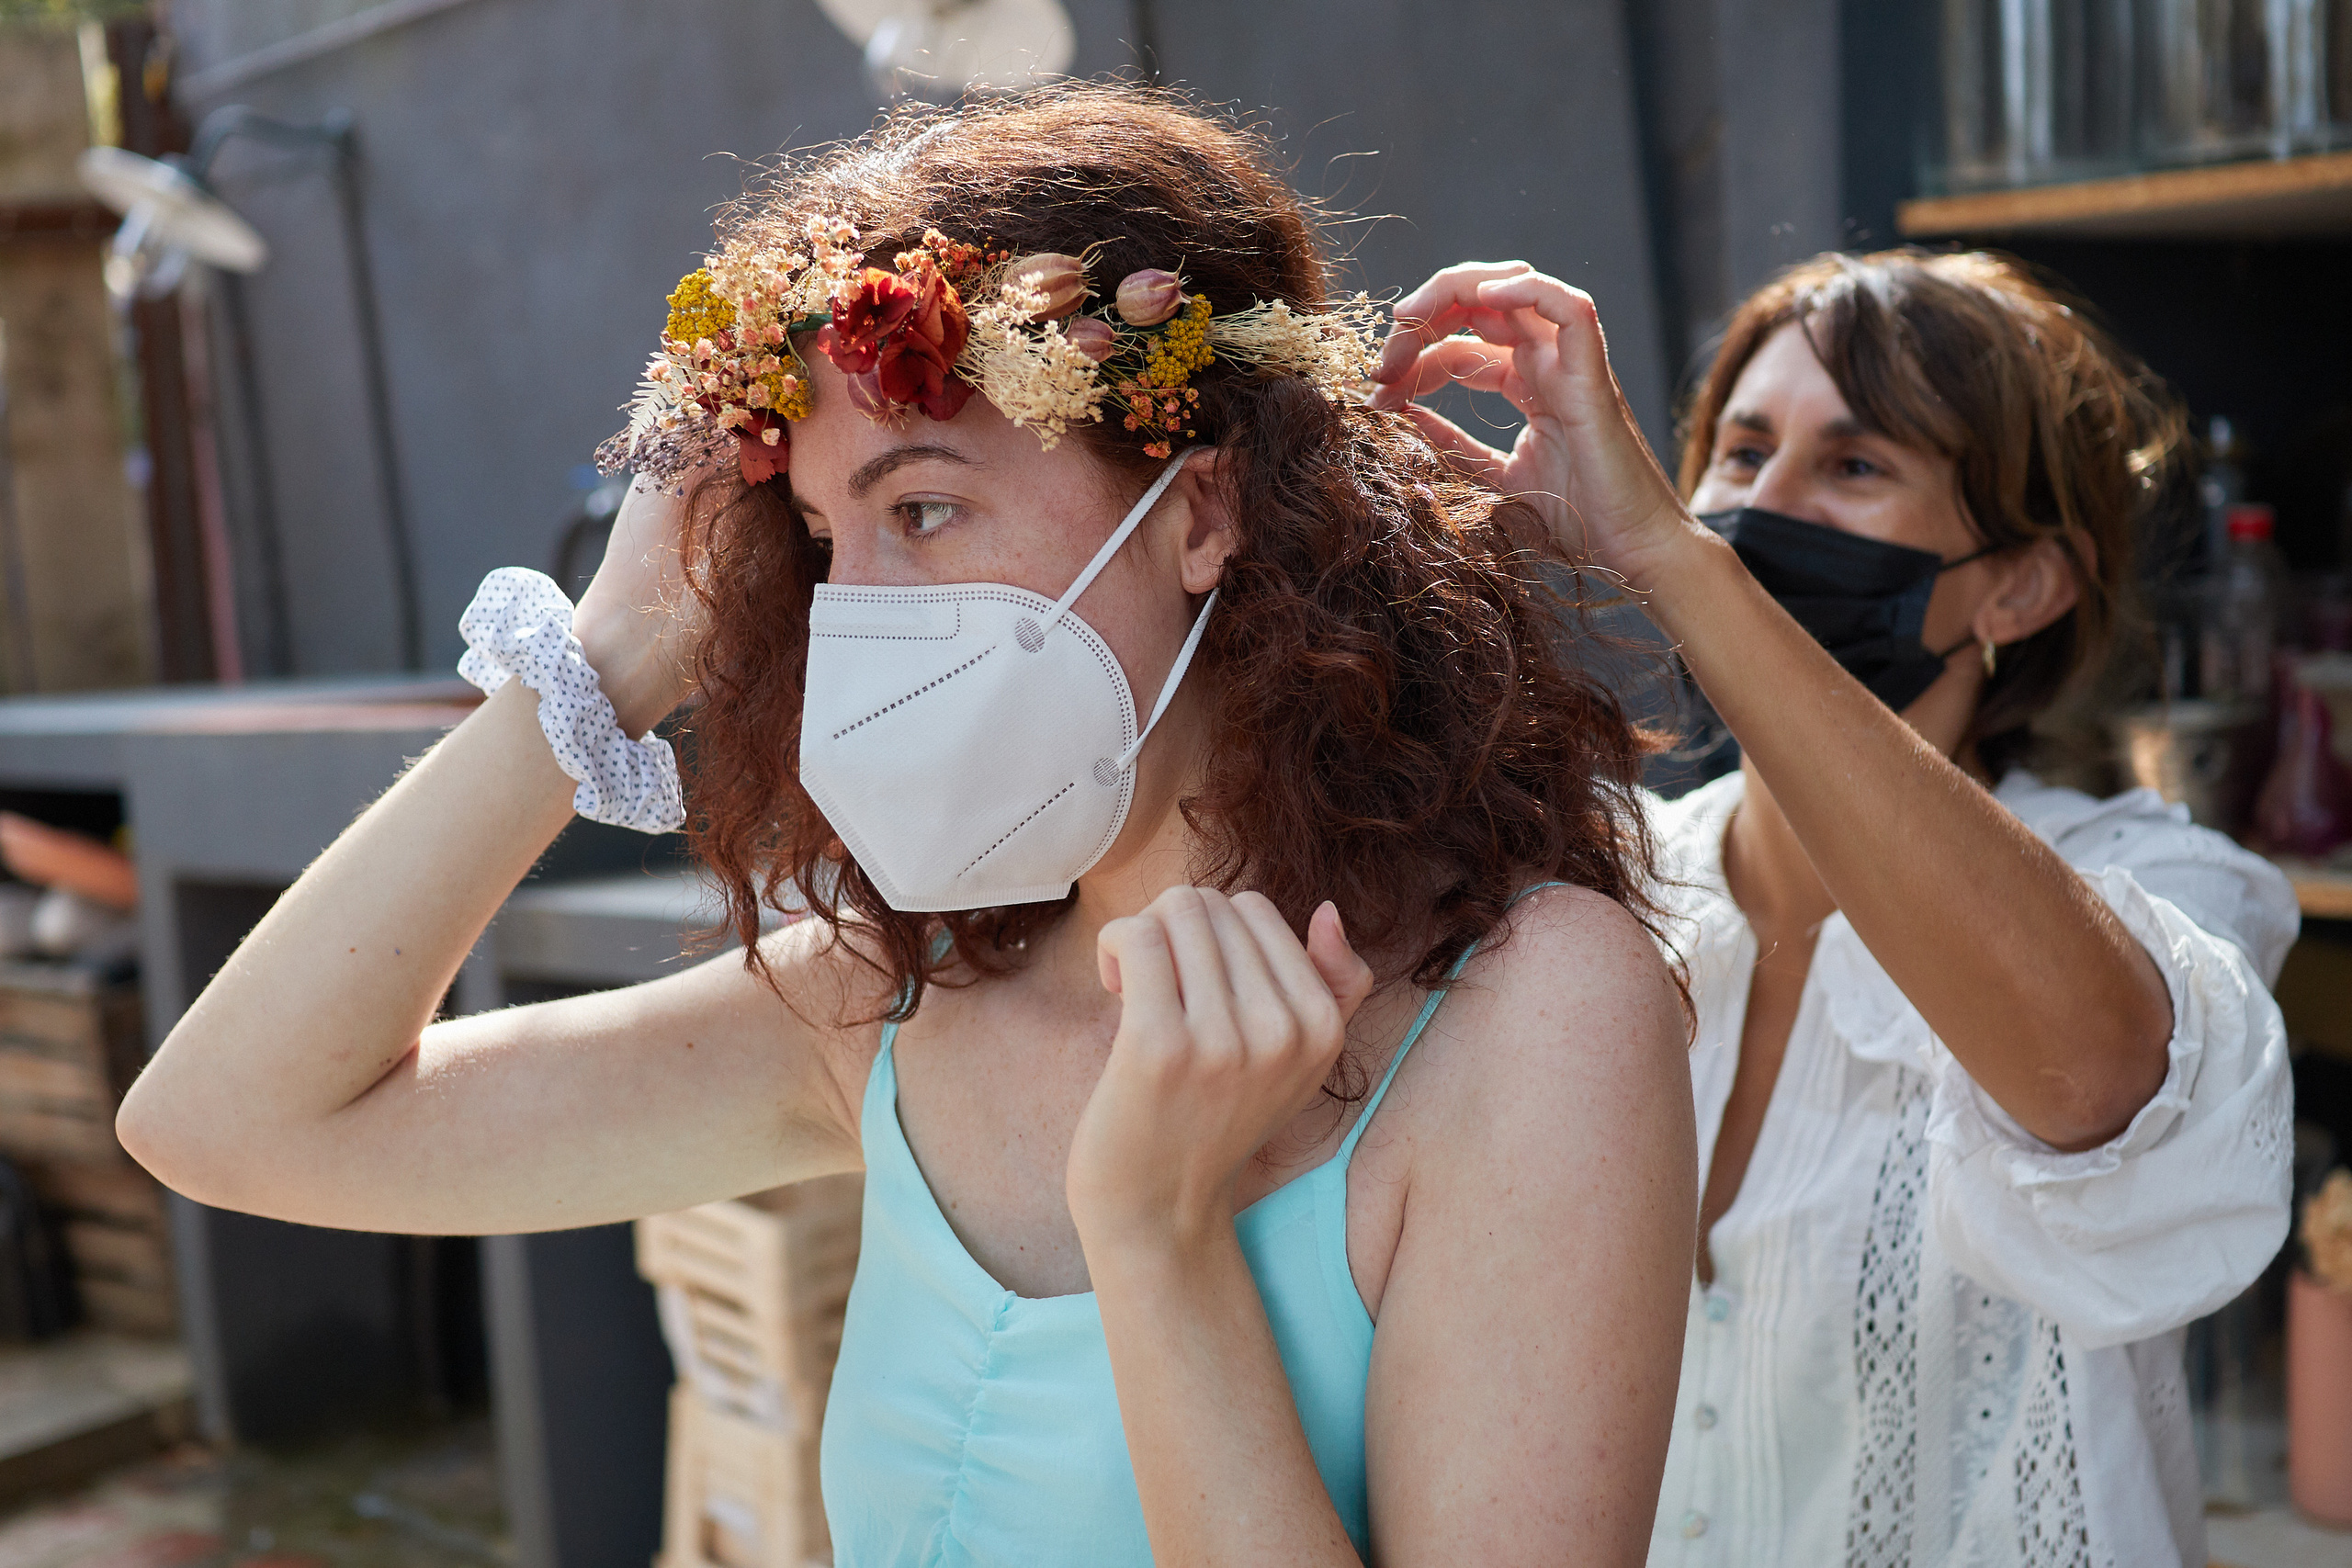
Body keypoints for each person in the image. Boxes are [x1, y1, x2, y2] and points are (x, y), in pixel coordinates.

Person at [116, 86, 1698, 1566]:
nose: (851, 616)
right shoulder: (901, 995)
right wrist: (602, 663)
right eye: (818, 536)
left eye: (922, 509)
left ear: (1204, 512)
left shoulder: (1531, 1011)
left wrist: (1153, 1234)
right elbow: (228, 1122)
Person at [1372, 247, 2297, 1567]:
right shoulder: (1590, 886)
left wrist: (1682, 563)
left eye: (1854, 468)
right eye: (1740, 455)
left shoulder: (2162, 888)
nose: (1762, 506)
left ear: (2023, 586)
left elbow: (2090, 1082)